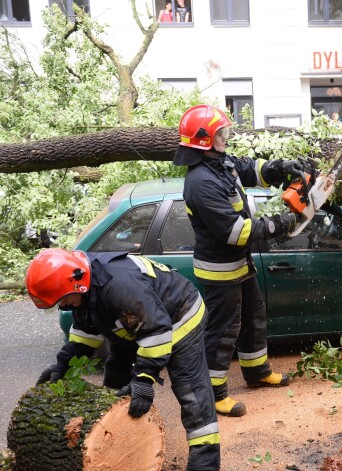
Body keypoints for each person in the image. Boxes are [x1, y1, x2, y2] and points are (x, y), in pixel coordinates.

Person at [25, 248, 220, 470]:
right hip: (136, 323)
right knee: (115, 373)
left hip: (179, 317)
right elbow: (85, 331)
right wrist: (64, 365)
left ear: (75, 284)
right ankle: (118, 439)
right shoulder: (85, 286)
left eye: (64, 300)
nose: (64, 306)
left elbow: (156, 332)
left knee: (191, 392)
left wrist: (144, 379)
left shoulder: (118, 284)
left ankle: (206, 462)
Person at [173, 104, 303, 418]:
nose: (225, 137)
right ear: (205, 140)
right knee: (221, 332)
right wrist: (279, 224)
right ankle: (215, 395)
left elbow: (248, 168)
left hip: (240, 265)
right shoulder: (201, 183)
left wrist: (279, 167)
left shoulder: (220, 163)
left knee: (254, 317)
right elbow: (235, 232)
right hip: (220, 272)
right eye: (220, 134)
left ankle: (257, 372)